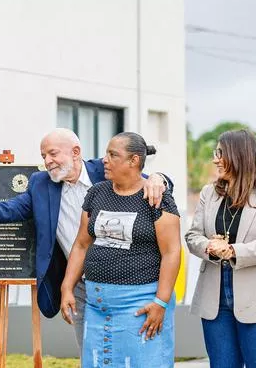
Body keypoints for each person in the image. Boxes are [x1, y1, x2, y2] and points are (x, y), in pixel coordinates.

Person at [0, 128, 171, 351]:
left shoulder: (105, 171)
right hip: (81, 286)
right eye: (43, 156)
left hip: (129, 286)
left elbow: (150, 184)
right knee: (92, 354)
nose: (47, 161)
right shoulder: (40, 184)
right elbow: (10, 210)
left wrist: (158, 178)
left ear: (75, 152)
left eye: (52, 153)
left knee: (132, 352)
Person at [59, 131, 180, 367]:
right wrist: (67, 288)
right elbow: (82, 244)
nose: (105, 160)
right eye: (106, 154)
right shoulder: (96, 193)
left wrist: (161, 302)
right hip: (97, 305)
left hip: (141, 305)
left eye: (113, 155)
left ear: (133, 160)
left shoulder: (156, 197)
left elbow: (172, 252)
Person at [185, 129, 256, 368]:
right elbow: (193, 235)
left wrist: (233, 251)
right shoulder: (208, 193)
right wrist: (210, 247)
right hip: (215, 297)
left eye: (220, 152)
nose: (215, 159)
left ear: (239, 155)